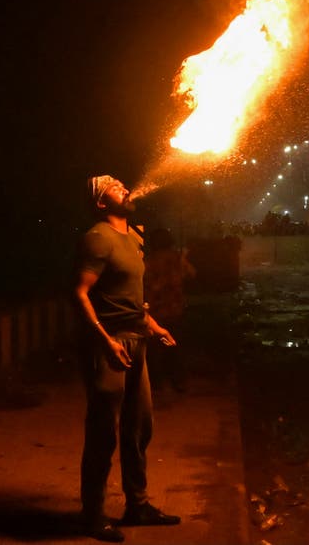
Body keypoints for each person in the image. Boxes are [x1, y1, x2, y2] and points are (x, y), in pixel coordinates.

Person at [73, 175, 181, 542]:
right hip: (111, 344)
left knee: (138, 429)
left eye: (121, 182)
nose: (123, 186)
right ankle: (92, 515)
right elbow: (80, 293)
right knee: (103, 433)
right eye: (113, 186)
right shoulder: (97, 238)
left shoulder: (133, 236)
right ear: (101, 203)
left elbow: (129, 296)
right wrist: (105, 342)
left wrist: (153, 325)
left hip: (138, 340)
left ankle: (138, 505)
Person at [142, 228, 195, 392]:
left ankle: (157, 384)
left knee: (154, 349)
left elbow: (143, 282)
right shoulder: (177, 258)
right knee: (175, 346)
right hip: (175, 308)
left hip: (156, 310)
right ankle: (178, 381)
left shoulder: (149, 261)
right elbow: (192, 274)